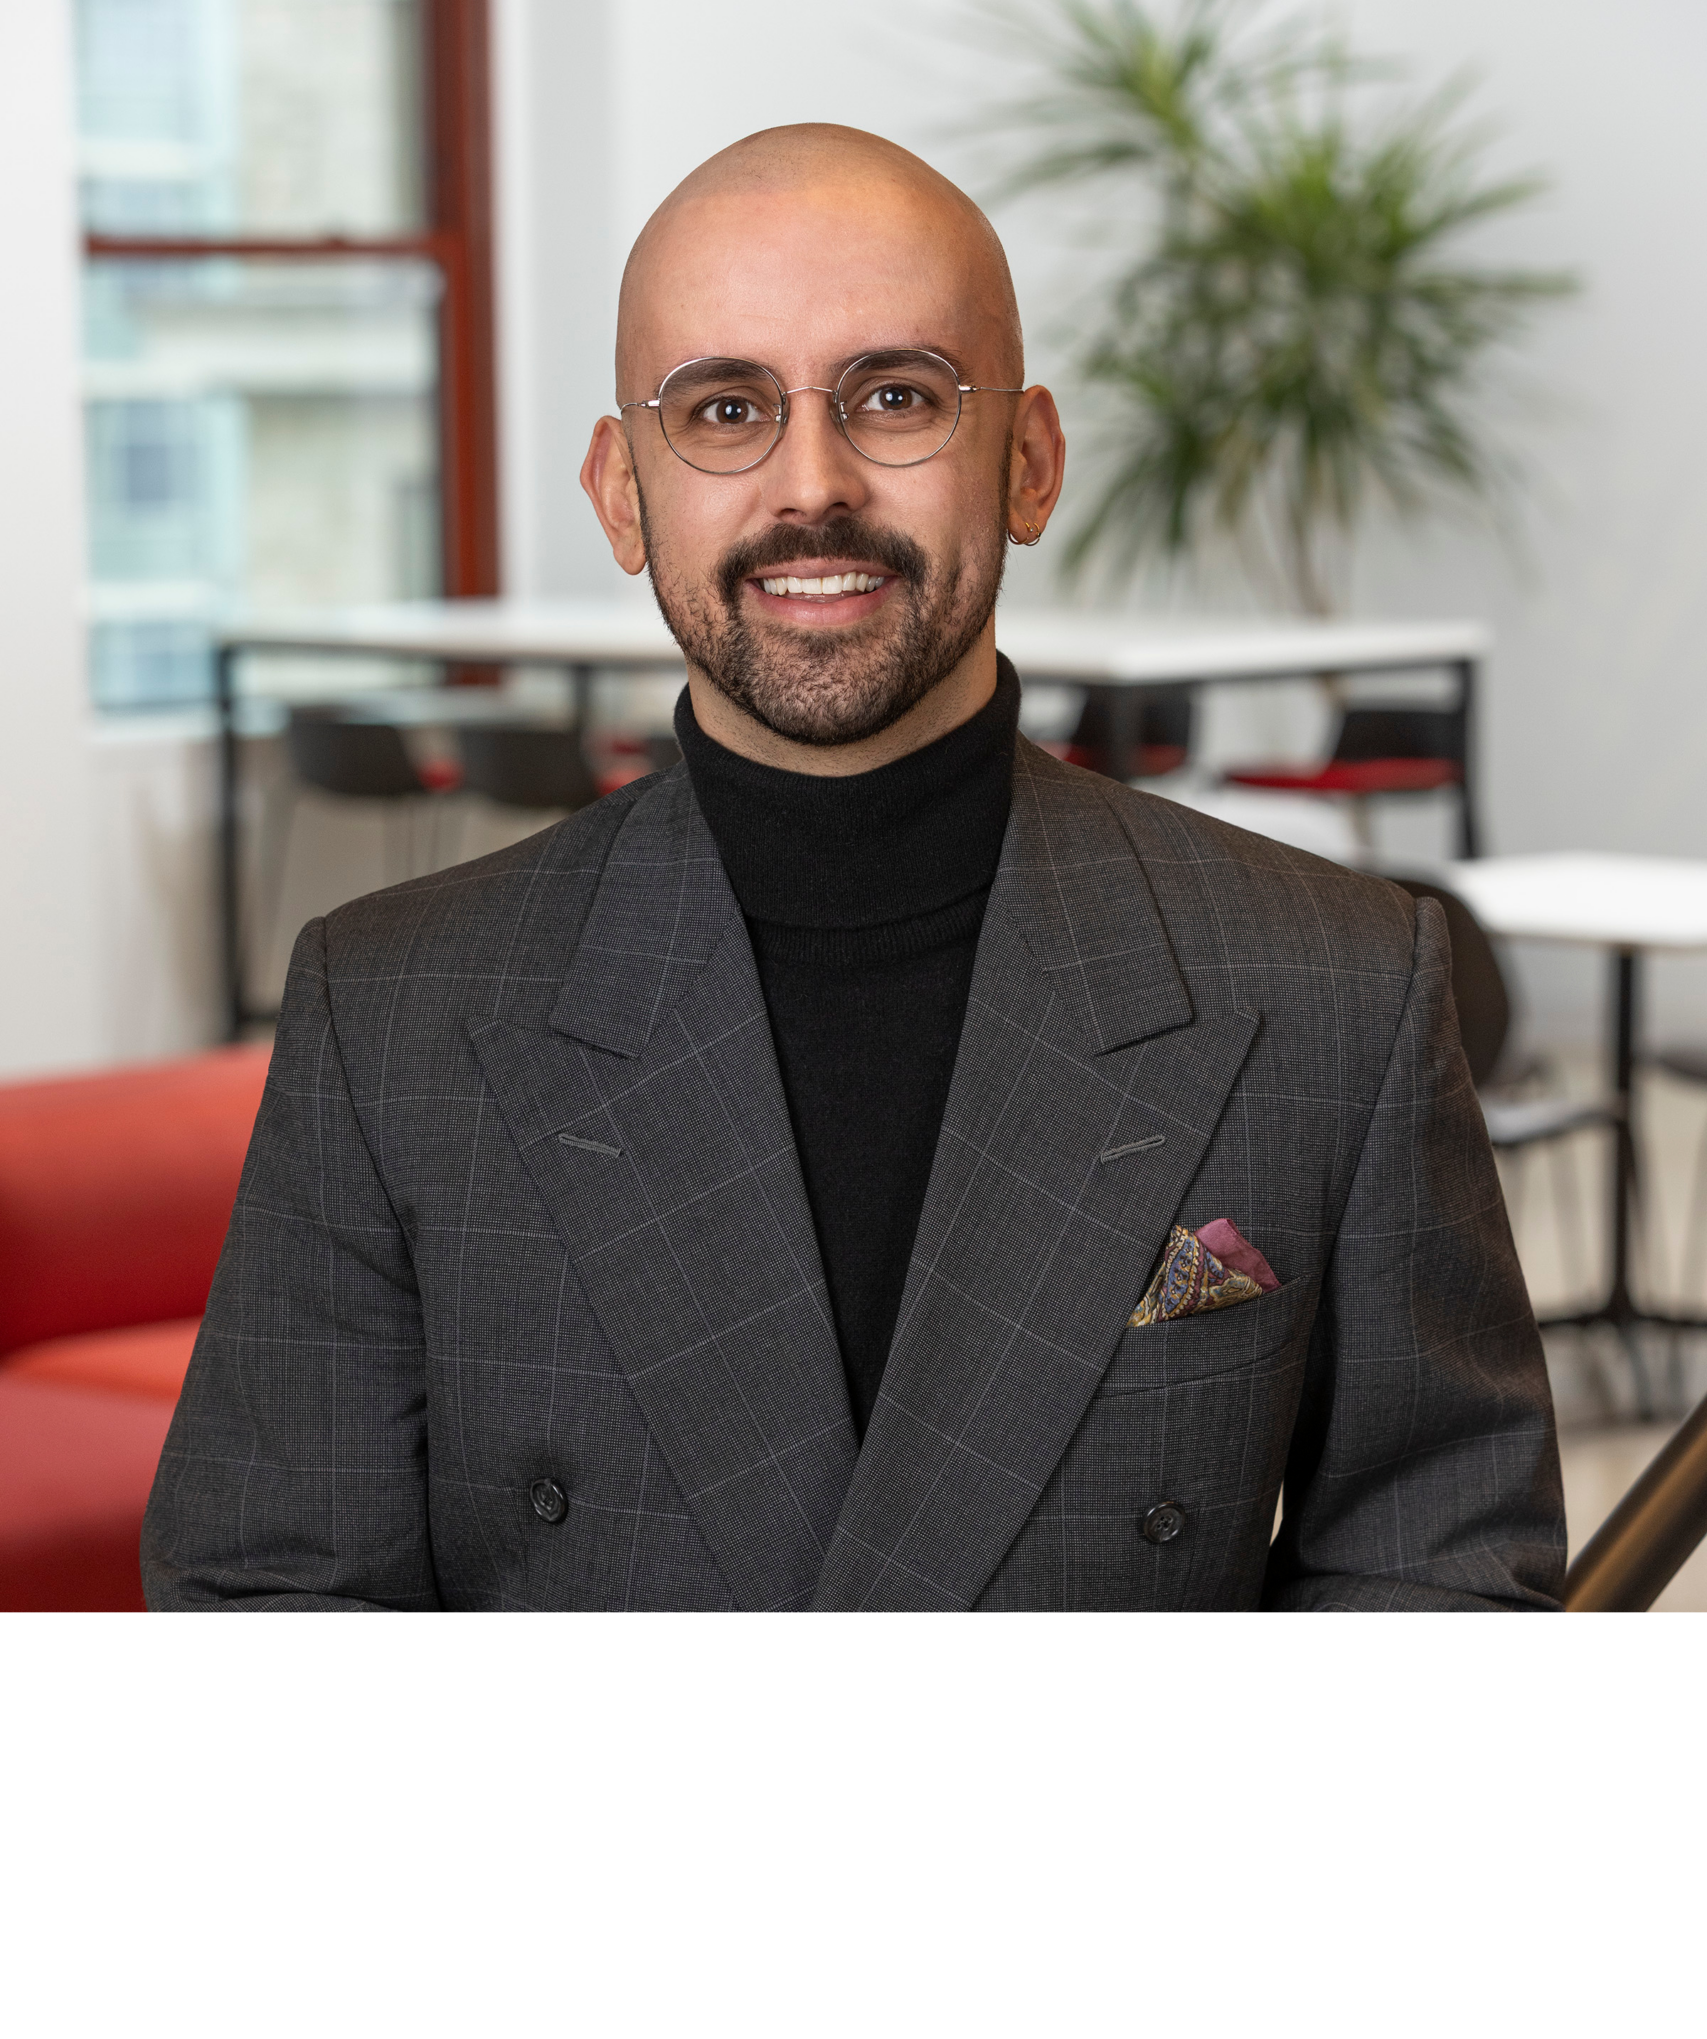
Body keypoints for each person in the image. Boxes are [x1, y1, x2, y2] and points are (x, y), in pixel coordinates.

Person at [143, 123, 1565, 1612]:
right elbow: (270, 1596)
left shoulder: (1333, 984)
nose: (811, 486)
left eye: (897, 397)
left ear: (1028, 464)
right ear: (621, 493)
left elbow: (1441, 1567)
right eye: (724, 408)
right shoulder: (395, 1012)